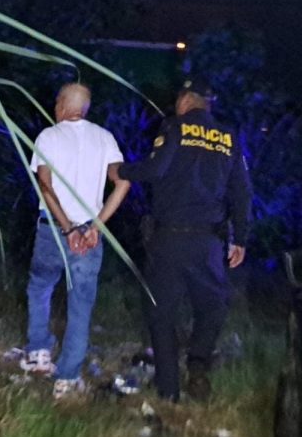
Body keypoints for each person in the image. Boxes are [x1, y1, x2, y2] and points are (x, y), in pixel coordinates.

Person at [117, 77, 252, 402]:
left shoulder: (174, 127)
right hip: (209, 243)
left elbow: (156, 168)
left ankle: (168, 391)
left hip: (170, 240)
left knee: (161, 314)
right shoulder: (229, 138)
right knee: (213, 307)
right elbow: (242, 193)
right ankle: (198, 362)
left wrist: (121, 172)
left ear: (186, 100)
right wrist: (241, 238)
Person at [24, 82, 130, 399]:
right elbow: (123, 182)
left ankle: (39, 353)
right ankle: (67, 378)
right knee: (81, 303)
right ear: (85, 108)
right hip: (88, 233)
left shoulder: (48, 136)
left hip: (53, 230)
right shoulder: (105, 138)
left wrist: (66, 227)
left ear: (61, 105)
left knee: (41, 286)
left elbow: (45, 185)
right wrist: (97, 224)